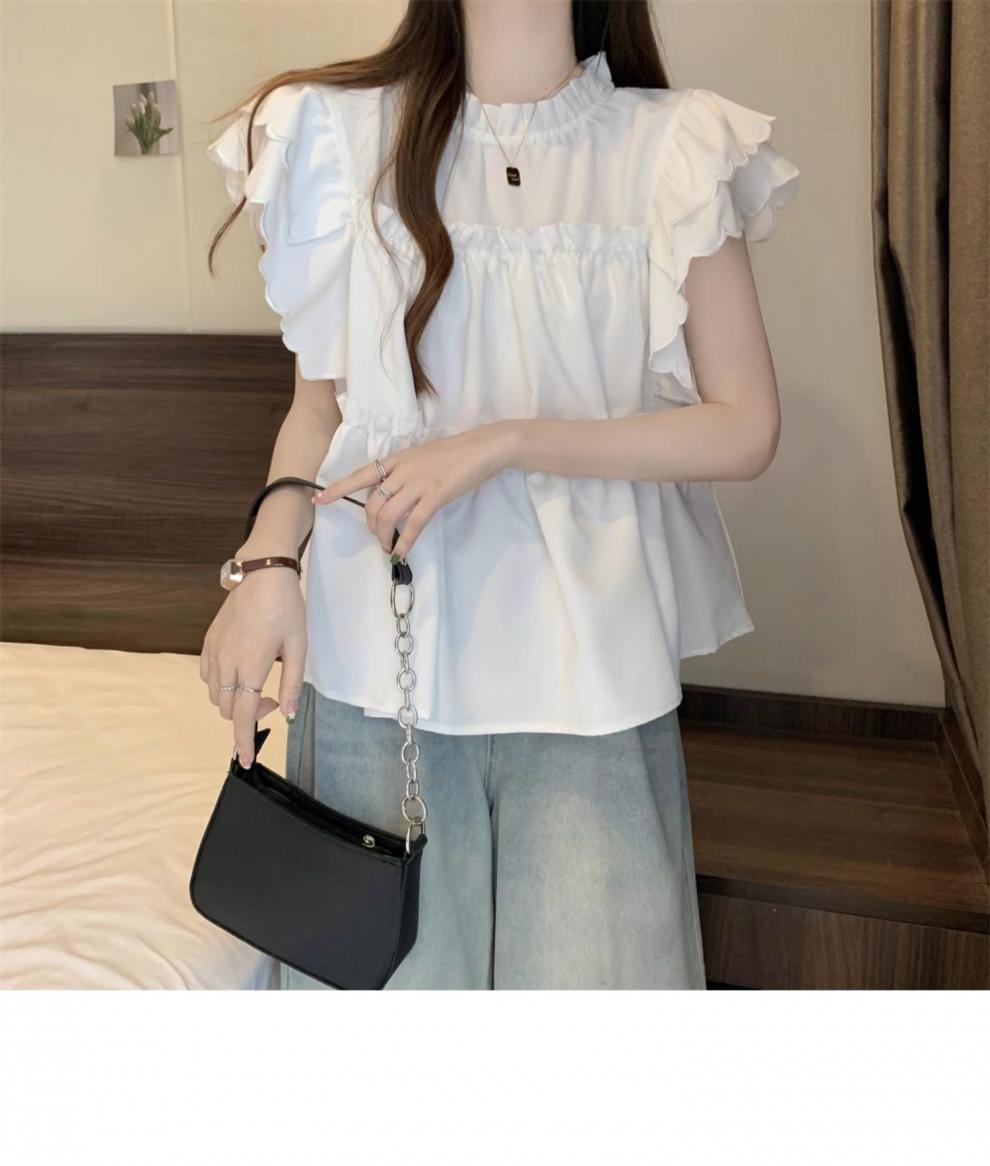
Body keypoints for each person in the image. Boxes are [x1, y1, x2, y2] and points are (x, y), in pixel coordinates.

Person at [201, 0, 800, 990]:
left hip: (590, 676)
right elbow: (318, 411)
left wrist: (505, 444)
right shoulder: (331, 135)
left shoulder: (671, 148)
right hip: (377, 673)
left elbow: (746, 426)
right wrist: (267, 564)